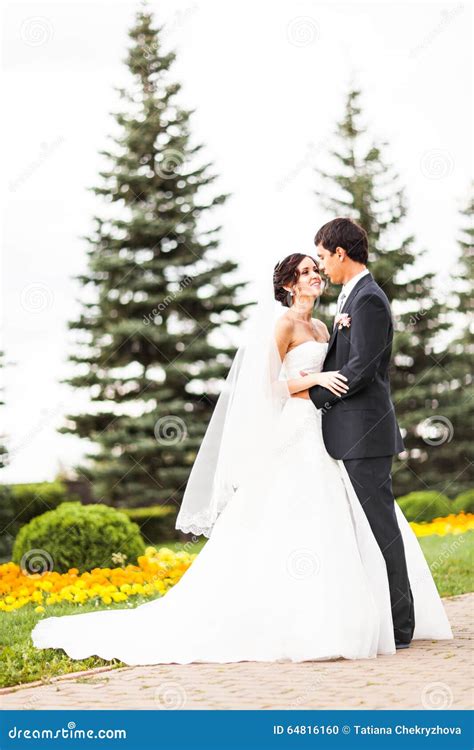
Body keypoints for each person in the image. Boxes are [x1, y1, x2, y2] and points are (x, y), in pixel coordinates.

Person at [31, 253, 452, 665]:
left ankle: (341, 613)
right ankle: (292, 621)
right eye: (305, 272)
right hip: (295, 428)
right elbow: (267, 385)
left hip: (326, 434)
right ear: (288, 285)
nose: (315, 276)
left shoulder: (325, 325)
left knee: (334, 517)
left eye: (316, 269)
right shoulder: (283, 324)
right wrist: (316, 378)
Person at [309, 217, 414, 647]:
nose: (321, 267)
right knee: (364, 529)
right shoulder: (353, 297)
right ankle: (380, 619)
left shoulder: (368, 299)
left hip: (364, 433)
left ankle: (400, 627)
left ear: (340, 253)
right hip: (350, 433)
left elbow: (363, 368)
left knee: (380, 528)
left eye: (321, 257)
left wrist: (314, 401)